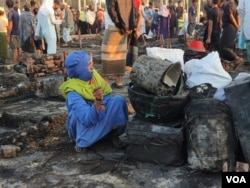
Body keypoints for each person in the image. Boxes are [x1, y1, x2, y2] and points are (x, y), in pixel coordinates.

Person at [59, 50, 128, 152]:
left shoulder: (93, 75)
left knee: (118, 101)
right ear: (80, 69)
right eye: (89, 64)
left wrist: (103, 103)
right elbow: (87, 120)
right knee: (76, 116)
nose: (92, 66)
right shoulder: (73, 92)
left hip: (99, 112)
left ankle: (111, 134)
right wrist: (97, 103)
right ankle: (84, 141)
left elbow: (107, 94)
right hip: (86, 122)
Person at [101, 0, 138, 88]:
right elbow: (133, 10)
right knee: (120, 54)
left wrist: (120, 25)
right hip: (125, 26)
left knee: (106, 52)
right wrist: (129, 26)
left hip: (114, 25)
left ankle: (106, 81)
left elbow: (111, 9)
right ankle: (119, 81)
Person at [220, 0, 243, 71]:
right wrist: (238, 26)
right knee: (228, 47)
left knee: (224, 47)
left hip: (229, 28)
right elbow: (238, 16)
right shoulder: (235, 5)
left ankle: (237, 59)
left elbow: (230, 16)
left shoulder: (229, 5)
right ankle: (227, 67)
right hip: (232, 29)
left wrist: (236, 25)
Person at [6, 0, 21, 64]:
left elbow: (10, 25)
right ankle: (18, 63)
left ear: (7, 5)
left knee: (14, 50)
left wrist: (8, 35)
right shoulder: (16, 12)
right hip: (18, 32)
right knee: (18, 49)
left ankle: (15, 65)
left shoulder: (10, 13)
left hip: (13, 33)